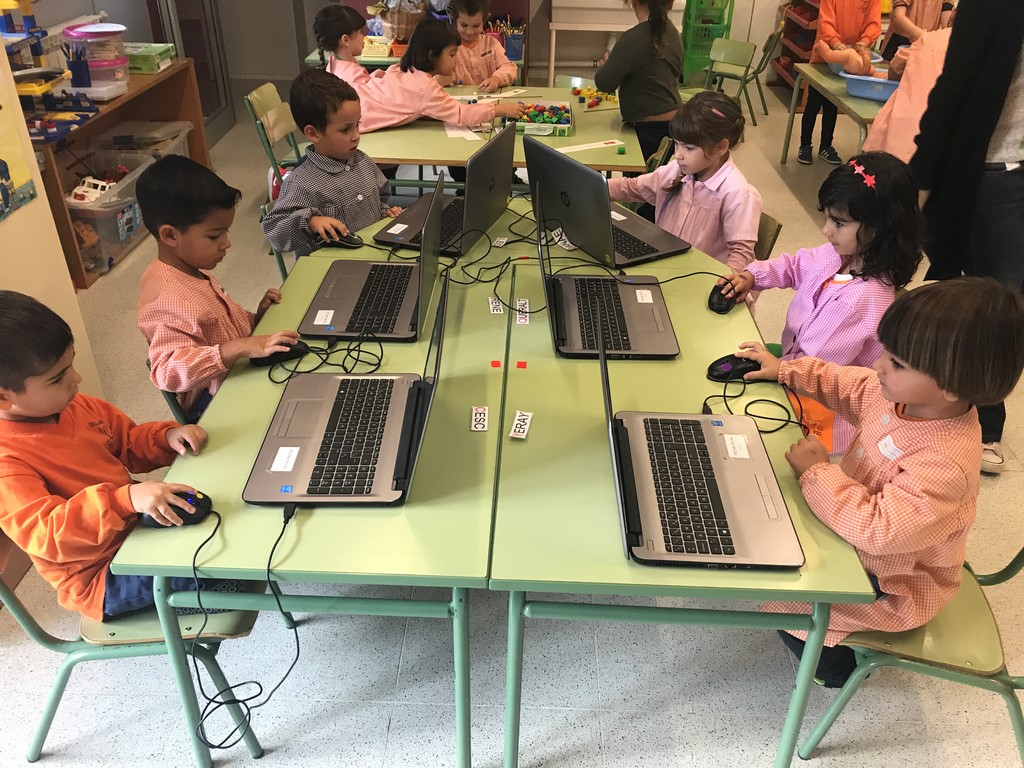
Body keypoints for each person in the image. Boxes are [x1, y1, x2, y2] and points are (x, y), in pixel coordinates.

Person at [737, 277, 1024, 687]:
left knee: (789, 604)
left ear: (951, 385)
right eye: (887, 351)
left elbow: (879, 530)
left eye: (897, 362)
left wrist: (817, 473)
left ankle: (836, 671)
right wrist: (786, 370)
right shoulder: (906, 397)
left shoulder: (945, 463)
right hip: (854, 533)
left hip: (893, 581)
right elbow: (848, 384)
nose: (878, 365)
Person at [0, 291, 215, 620]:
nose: (76, 379)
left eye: (70, 366)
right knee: (213, 567)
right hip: (101, 576)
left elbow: (127, 441)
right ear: (3, 398)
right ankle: (194, 608)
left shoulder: (75, 405)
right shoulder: (6, 461)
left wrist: (166, 437)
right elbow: (48, 533)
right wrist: (121, 501)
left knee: (219, 522)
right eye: (58, 378)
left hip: (135, 524)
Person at [716, 152, 922, 456]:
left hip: (817, 407)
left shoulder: (860, 303)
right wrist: (752, 276)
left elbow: (815, 369)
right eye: (827, 217)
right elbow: (795, 265)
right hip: (793, 370)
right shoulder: (840, 254)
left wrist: (779, 367)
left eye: (838, 222)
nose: (826, 230)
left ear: (877, 228)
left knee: (737, 433)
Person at [909, 0, 1024, 474]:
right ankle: (976, 421)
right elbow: (953, 87)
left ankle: (971, 415)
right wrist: (920, 182)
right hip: (998, 169)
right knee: (992, 304)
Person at [137, 156, 299, 422]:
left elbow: (221, 328)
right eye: (214, 235)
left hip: (238, 378)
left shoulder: (190, 270)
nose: (227, 243)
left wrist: (255, 319)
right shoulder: (166, 300)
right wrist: (235, 349)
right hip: (216, 408)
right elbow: (166, 371)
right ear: (170, 235)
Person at [607, 92, 761, 275]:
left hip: (701, 280)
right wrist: (593, 187)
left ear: (721, 147)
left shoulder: (738, 193)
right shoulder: (676, 170)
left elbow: (741, 255)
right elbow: (632, 188)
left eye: (689, 148)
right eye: (676, 144)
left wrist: (723, 284)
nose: (678, 154)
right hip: (666, 268)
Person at [262, 68, 402, 257]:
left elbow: (380, 199)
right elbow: (275, 232)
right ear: (313, 133)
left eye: (357, 125)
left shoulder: (362, 161)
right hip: (331, 266)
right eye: (345, 129)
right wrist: (310, 221)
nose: (356, 136)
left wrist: (386, 213)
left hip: (371, 255)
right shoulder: (301, 184)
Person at [355, 17, 527, 133]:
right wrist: (500, 109)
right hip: (359, 120)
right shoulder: (424, 88)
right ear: (432, 56)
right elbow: (460, 114)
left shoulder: (403, 68)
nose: (456, 60)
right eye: (452, 54)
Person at [594, 0, 682, 168]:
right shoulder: (672, 32)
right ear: (669, 4)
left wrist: (608, 65)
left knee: (636, 180)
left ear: (634, 3)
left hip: (647, 130)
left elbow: (604, 83)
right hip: (673, 124)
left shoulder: (634, 38)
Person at [799, 0, 881, 165]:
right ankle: (805, 145)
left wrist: (863, 43)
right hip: (823, 58)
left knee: (832, 105)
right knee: (813, 103)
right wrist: (835, 43)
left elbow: (873, 24)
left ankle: (826, 146)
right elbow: (826, 23)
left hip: (850, 61)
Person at [862, 27, 953, 163]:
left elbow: (895, 67)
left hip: (905, 126)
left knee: (888, 167)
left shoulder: (928, 39)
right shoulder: (978, 50)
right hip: (945, 135)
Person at [439, 0, 518, 92]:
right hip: (459, 100)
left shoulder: (491, 44)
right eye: (464, 25)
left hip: (490, 98)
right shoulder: (449, 48)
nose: (469, 32)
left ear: (484, 21)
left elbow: (509, 68)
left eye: (476, 26)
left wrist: (496, 79)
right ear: (454, 20)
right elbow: (436, 76)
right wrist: (442, 78)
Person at [313, 4, 372, 87]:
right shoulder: (355, 76)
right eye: (360, 32)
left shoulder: (334, 60)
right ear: (345, 40)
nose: (364, 37)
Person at [879, 0, 954, 60]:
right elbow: (897, 17)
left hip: (926, 47)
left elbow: (947, 23)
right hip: (899, 42)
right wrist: (926, 38)